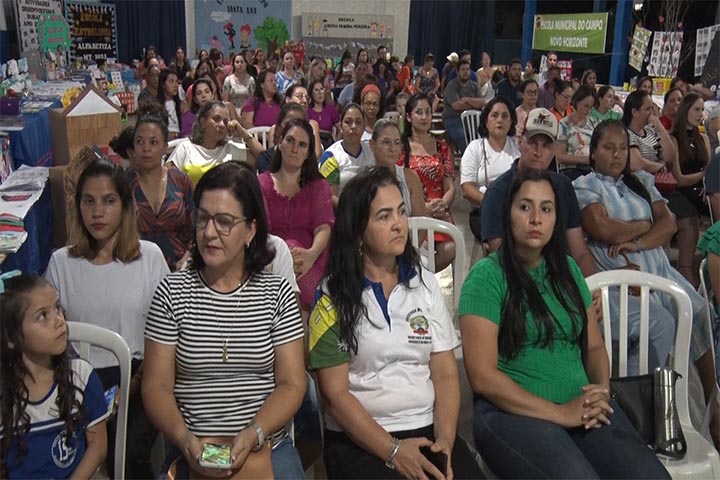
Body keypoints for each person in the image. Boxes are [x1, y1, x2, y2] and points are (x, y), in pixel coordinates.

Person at [460, 167, 671, 479]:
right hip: (511, 412)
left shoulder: (568, 270)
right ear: (508, 213)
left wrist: (600, 391)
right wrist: (562, 413)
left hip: (579, 404)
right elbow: (483, 378)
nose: (536, 219)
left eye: (546, 209)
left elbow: (595, 346)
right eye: (525, 207)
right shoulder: (486, 278)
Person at [309, 166, 483, 480]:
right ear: (358, 227)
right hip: (361, 437)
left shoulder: (425, 284)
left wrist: (443, 442)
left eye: (401, 212)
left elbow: (444, 373)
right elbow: (334, 394)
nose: (399, 224)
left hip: (427, 427)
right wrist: (393, 451)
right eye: (384, 216)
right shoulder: (332, 295)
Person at [143, 162, 306, 479]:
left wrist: (254, 432)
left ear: (250, 230)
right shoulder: (171, 293)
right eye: (203, 218)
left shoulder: (277, 294)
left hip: (265, 445)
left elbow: (292, 384)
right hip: (192, 446)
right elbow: (156, 386)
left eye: (224, 222)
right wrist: (183, 438)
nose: (209, 232)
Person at [574, 119, 720, 443]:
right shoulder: (585, 185)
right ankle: (643, 407)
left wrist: (638, 240)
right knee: (664, 322)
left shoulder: (640, 180)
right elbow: (601, 227)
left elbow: (669, 225)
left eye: (623, 148)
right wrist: (643, 224)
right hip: (622, 281)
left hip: (659, 271)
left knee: (699, 312)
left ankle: (713, 408)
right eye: (608, 148)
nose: (616, 155)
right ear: (593, 151)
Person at [45, 158, 169, 478]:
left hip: (140, 378)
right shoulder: (61, 263)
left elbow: (170, 332)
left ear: (125, 207)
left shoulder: (149, 257)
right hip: (76, 382)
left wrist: (140, 382)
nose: (97, 212)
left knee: (129, 456)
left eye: (108, 201)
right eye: (89, 201)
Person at [0, 274, 108, 479]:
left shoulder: (81, 377)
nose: (59, 321)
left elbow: (98, 446)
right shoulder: (4, 394)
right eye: (43, 316)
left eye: (57, 308)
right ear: (11, 337)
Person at [259, 119, 334, 314]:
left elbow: (323, 227)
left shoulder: (319, 186)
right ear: (280, 143)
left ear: (309, 153)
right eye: (290, 141)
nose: (294, 149)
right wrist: (282, 259)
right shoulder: (262, 183)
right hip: (271, 259)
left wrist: (310, 255)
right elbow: (261, 231)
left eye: (302, 145)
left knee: (308, 288)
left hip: (312, 257)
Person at [128, 111, 194, 271]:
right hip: (135, 267)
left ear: (165, 147)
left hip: (180, 269)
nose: (146, 148)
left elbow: (196, 229)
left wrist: (187, 258)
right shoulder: (124, 183)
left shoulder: (180, 180)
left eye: (153, 142)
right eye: (140, 142)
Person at [400, 93, 456, 271]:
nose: (424, 117)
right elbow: (399, 185)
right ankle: (420, 284)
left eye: (427, 112)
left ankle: (423, 281)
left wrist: (443, 204)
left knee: (450, 248)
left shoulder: (442, 146)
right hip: (413, 209)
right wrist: (424, 208)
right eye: (419, 112)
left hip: (440, 210)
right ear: (409, 117)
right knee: (419, 251)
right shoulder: (402, 147)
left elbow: (450, 187)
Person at [461, 96, 520, 243]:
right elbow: (467, 189)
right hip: (484, 211)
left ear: (511, 121)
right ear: (486, 121)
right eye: (494, 115)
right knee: (501, 239)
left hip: (515, 210)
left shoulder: (518, 148)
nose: (500, 120)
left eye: (505, 116)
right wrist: (493, 202)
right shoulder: (475, 148)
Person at [668, 92, 711, 286]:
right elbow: (679, 178)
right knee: (690, 216)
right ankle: (686, 269)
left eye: (702, 110)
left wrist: (707, 184)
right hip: (682, 189)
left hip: (702, 189)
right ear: (686, 110)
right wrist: (703, 178)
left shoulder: (703, 139)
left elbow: (710, 169)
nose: (700, 114)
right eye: (696, 109)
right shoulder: (674, 139)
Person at [168, 100, 248, 186]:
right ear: (202, 122)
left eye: (225, 122)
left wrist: (244, 133)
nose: (221, 125)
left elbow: (261, 157)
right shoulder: (186, 147)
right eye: (216, 119)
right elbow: (166, 177)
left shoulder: (230, 149)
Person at [319, 103, 375, 206]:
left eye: (358, 122)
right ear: (341, 126)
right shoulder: (330, 156)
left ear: (364, 127)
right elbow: (331, 197)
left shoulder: (371, 152)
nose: (353, 126)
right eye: (348, 122)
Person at [370, 118, 428, 218]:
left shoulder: (411, 178)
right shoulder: (364, 181)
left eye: (397, 143)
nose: (392, 148)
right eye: (386, 142)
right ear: (372, 145)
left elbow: (421, 226)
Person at [622, 90, 675, 174]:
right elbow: (637, 163)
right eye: (647, 109)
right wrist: (661, 166)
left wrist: (661, 128)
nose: (651, 113)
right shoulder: (626, 133)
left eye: (652, 109)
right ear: (634, 112)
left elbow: (670, 158)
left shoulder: (651, 130)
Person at [443, 59, 485, 153]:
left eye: (467, 69)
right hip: (453, 118)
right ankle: (468, 161)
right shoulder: (452, 86)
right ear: (457, 72)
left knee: (482, 136)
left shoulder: (475, 86)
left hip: (473, 118)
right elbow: (456, 105)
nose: (465, 72)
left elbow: (482, 102)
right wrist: (474, 105)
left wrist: (467, 100)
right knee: (462, 137)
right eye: (462, 69)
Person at [555, 85, 598, 179]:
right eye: (586, 106)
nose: (588, 110)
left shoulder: (594, 123)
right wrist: (584, 160)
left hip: (591, 171)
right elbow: (559, 156)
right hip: (570, 171)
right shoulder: (565, 124)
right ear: (577, 102)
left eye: (591, 107)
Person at [308, 79, 341, 148]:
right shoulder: (308, 111)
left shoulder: (330, 109)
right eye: (316, 90)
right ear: (311, 94)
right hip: (313, 144)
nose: (320, 93)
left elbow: (340, 128)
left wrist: (336, 143)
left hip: (328, 143)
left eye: (321, 89)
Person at [222, 53, 256, 117]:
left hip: (247, 114)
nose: (239, 64)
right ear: (233, 65)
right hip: (232, 114)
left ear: (245, 64)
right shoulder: (228, 80)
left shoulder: (251, 80)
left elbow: (253, 99)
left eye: (242, 62)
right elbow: (225, 101)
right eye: (237, 62)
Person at [157, 69, 183, 139]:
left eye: (176, 82)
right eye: (171, 81)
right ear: (163, 84)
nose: (175, 85)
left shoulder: (182, 105)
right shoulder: (156, 106)